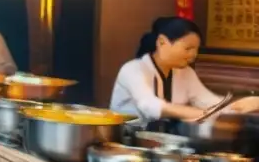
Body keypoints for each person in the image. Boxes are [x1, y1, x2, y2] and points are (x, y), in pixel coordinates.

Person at [111, 17, 259, 121]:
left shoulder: (186, 72)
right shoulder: (133, 70)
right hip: (126, 143)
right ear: (162, 42)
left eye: (196, 49)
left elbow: (209, 102)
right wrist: (199, 113)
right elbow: (148, 105)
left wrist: (239, 106)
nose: (193, 55)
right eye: (188, 48)